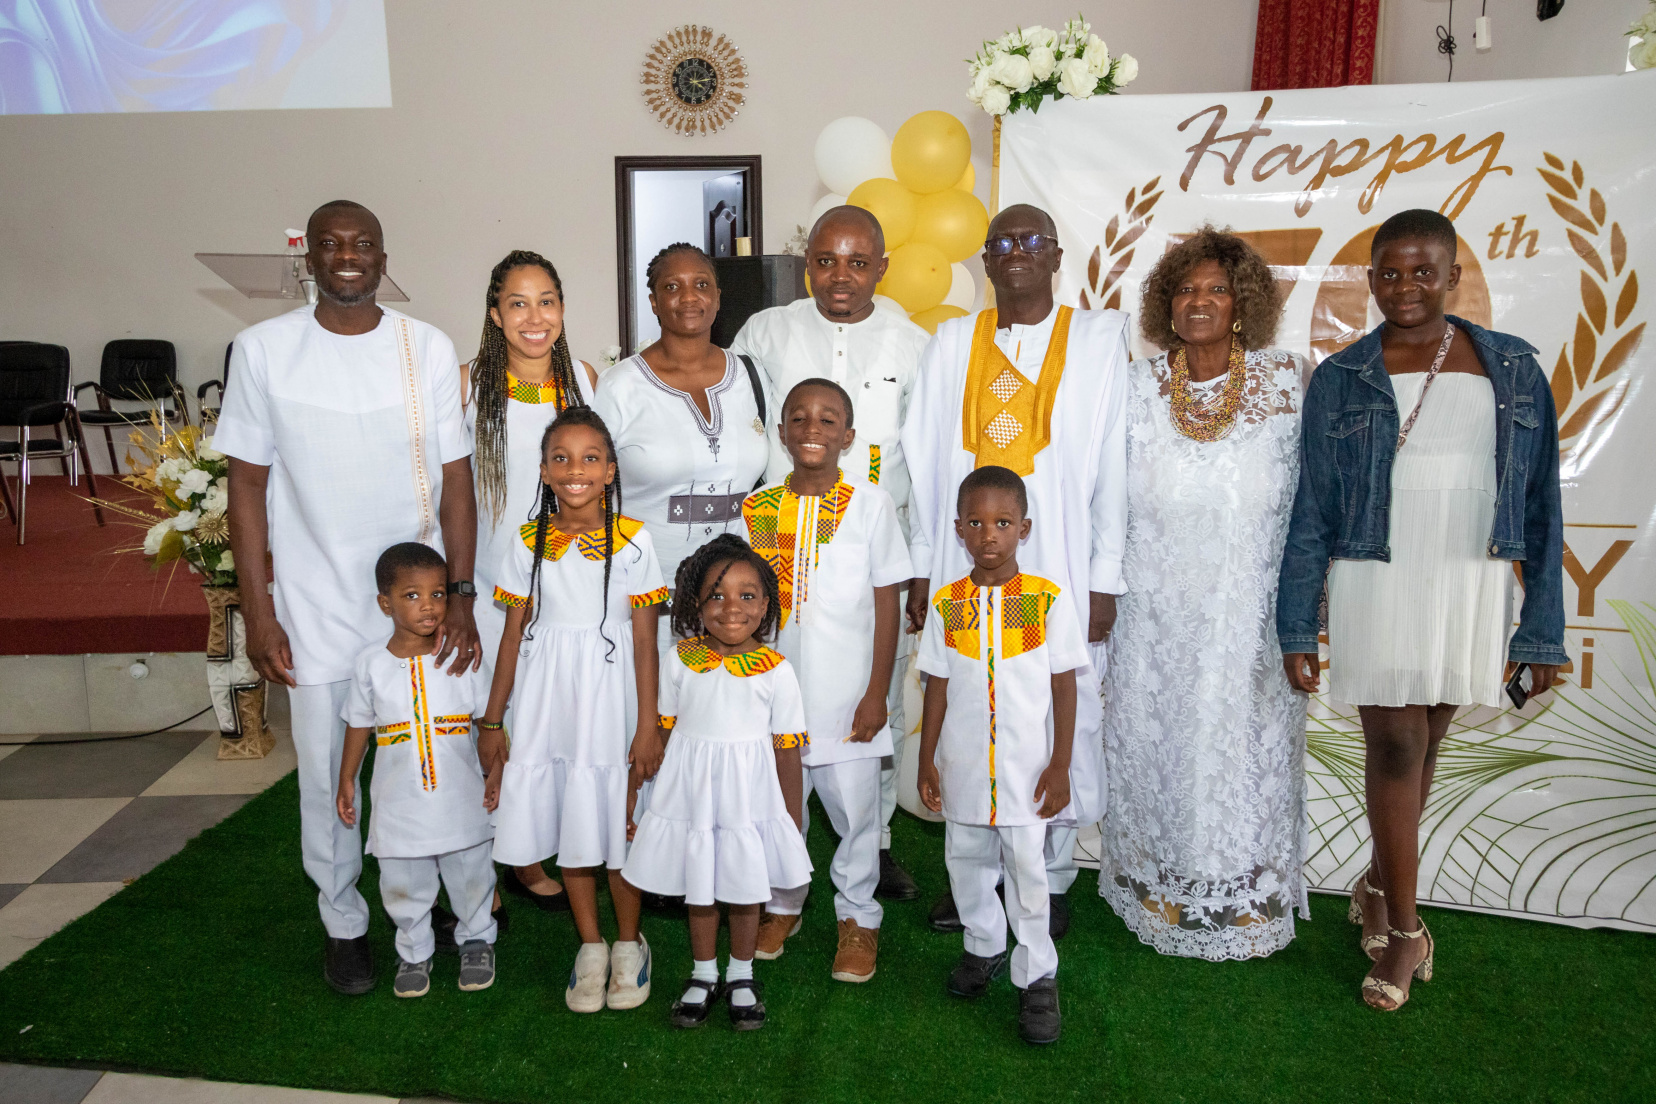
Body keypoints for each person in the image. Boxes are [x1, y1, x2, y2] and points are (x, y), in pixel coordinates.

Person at [1278, 208, 1567, 1011]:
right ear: (1370, 280)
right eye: (1390, 272)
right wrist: (1298, 621)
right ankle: (1407, 930)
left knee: (1429, 736)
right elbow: (1313, 507)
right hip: (1377, 570)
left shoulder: (1512, 365)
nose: (1405, 286)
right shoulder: (1342, 374)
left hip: (1468, 571)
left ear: (1452, 277)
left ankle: (1377, 885)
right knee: (1398, 742)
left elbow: (1541, 504)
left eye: (1422, 271)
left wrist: (1542, 628)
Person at [219, 200, 481, 996]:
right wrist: (259, 612)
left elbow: (457, 483)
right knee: (327, 777)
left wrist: (460, 596)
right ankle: (343, 922)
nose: (347, 255)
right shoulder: (263, 350)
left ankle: (433, 903)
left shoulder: (424, 346)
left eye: (363, 243)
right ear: (309, 259)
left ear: (382, 257)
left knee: (432, 758)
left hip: (417, 606)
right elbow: (245, 488)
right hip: (314, 602)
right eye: (330, 244)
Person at [901, 203, 1129, 939]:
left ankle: (1050, 876)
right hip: (963, 567)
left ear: (1057, 255)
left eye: (1031, 240)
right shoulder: (951, 343)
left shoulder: (1097, 340)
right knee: (969, 704)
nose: (1015, 252)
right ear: (985, 259)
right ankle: (975, 874)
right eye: (1001, 242)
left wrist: (1104, 576)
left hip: (1058, 565)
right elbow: (922, 462)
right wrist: (923, 569)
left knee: (1051, 707)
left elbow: (1114, 466)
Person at [1100, 228, 1311, 961]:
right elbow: (1103, 498)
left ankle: (1244, 893)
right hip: (1153, 612)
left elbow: (1312, 506)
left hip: (1246, 611)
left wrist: (1308, 612)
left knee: (1243, 752)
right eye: (1186, 289)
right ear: (1166, 303)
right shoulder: (1133, 387)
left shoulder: (1288, 382)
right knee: (1157, 745)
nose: (1200, 301)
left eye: (1217, 289)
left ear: (1243, 302)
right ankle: (1157, 884)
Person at [730, 208, 932, 901]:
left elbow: (926, 459)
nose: (840, 276)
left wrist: (920, 566)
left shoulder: (913, 344)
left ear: (881, 268)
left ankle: (874, 842)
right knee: (776, 689)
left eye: (857, 262)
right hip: (779, 540)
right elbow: (745, 429)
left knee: (878, 699)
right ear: (806, 263)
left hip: (874, 547)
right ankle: (775, 839)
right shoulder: (765, 332)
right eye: (825, 260)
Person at [479, 407, 666, 1013]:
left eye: (590, 458)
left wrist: (648, 725)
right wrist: (493, 720)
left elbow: (645, 642)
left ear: (610, 471)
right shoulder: (526, 542)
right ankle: (590, 944)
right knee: (573, 821)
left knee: (615, 819)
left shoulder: (635, 541)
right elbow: (512, 636)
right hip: (549, 699)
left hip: (612, 698)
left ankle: (629, 943)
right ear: (543, 470)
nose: (574, 469)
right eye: (560, 458)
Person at [741, 379, 912, 979]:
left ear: (849, 435)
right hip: (777, 696)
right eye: (799, 418)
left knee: (857, 815)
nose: (812, 429)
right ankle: (783, 904)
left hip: (848, 698)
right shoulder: (756, 508)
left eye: (828, 419)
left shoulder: (871, 504)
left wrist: (876, 694)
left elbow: (888, 603)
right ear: (781, 433)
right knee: (780, 810)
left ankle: (859, 917)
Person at [915, 466, 1088, 1047]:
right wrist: (926, 760)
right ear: (959, 529)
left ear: (1024, 529)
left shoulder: (1045, 600)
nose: (989, 534)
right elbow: (936, 685)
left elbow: (1064, 685)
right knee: (965, 860)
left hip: (1026, 771)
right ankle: (983, 944)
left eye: (1003, 523)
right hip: (963, 765)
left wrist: (1060, 764)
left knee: (1027, 872)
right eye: (976, 523)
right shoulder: (948, 604)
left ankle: (1037, 974)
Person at [621, 535, 813, 1031]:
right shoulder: (680, 659)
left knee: (745, 888)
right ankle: (704, 972)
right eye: (717, 595)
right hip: (693, 793)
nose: (732, 608)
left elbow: (787, 750)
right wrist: (635, 795)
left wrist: (791, 821)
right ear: (695, 604)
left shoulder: (777, 671)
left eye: (747, 596)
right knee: (700, 885)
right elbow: (662, 733)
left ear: (766, 605)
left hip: (748, 797)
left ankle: (742, 974)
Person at [465, 249, 597, 912]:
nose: (534, 317)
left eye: (546, 301)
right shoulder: (469, 385)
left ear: (563, 309)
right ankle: (480, 865)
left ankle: (529, 850)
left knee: (545, 723)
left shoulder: (584, 383)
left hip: (566, 589)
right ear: (496, 315)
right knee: (490, 720)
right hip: (492, 585)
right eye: (517, 303)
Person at [336, 543, 496, 998]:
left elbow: (489, 723)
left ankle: (477, 939)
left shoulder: (462, 657)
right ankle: (413, 949)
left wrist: (497, 773)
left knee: (470, 871)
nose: (428, 605)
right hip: (399, 799)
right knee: (403, 880)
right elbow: (359, 723)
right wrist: (347, 778)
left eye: (438, 594)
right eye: (412, 595)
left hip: (461, 795)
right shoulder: (371, 664)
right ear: (385, 603)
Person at [592, 243, 770, 619]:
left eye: (701, 284)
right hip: (644, 595)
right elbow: (590, 490)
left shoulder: (750, 376)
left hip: (734, 600)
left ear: (718, 297)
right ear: (654, 302)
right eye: (672, 287)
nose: (689, 297)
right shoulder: (620, 386)